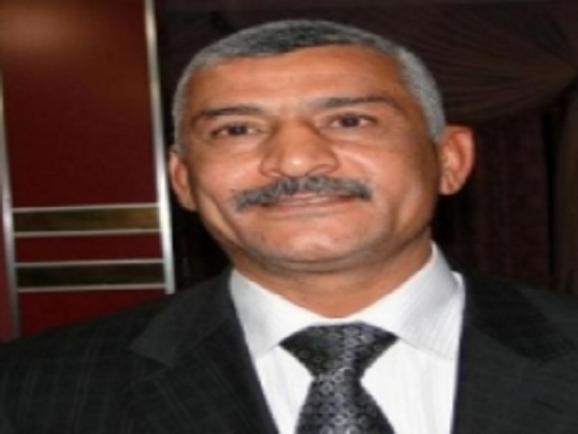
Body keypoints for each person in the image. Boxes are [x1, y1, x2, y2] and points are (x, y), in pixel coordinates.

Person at [1, 19, 578, 434]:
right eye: (237, 130)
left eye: (350, 120)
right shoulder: (32, 390)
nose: (296, 160)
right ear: (183, 180)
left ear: (450, 160)